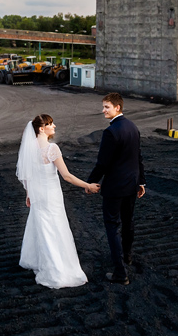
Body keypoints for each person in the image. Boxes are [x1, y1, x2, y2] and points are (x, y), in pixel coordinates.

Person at [17, 114, 100, 289]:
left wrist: (28, 194)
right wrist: (88, 185)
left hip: (38, 195)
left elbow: (27, 176)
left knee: (42, 228)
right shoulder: (51, 149)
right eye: (50, 124)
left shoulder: (29, 149)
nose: (54, 126)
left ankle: (39, 260)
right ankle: (57, 270)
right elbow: (67, 176)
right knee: (56, 229)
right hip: (51, 196)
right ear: (41, 128)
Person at [87, 93, 145, 285]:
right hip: (131, 184)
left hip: (115, 187)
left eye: (106, 107)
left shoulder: (111, 132)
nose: (103, 110)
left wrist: (90, 182)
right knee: (128, 222)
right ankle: (127, 256)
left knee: (112, 226)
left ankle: (120, 272)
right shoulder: (133, 127)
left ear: (117, 108)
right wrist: (141, 182)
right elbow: (138, 158)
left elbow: (103, 163)